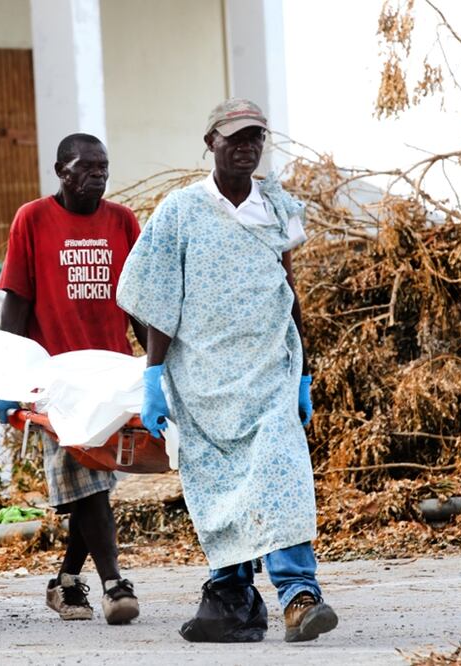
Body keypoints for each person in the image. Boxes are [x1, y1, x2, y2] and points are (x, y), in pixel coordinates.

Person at [116, 99, 338, 643]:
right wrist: (153, 375)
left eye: (256, 136)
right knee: (220, 490)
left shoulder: (279, 208)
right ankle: (233, 597)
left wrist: (303, 372)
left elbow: (289, 292)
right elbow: (155, 297)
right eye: (235, 136)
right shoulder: (181, 211)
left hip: (269, 373)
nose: (247, 146)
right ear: (210, 142)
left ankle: (298, 596)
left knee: (281, 476)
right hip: (204, 382)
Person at [0, 133, 146, 625]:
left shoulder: (122, 222)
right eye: (87, 167)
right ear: (62, 171)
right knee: (89, 477)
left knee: (96, 477)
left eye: (104, 167)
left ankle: (65, 582)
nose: (99, 175)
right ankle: (115, 584)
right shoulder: (32, 220)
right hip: (56, 378)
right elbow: (15, 302)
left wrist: (160, 366)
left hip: (115, 374)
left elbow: (140, 303)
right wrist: (5, 379)